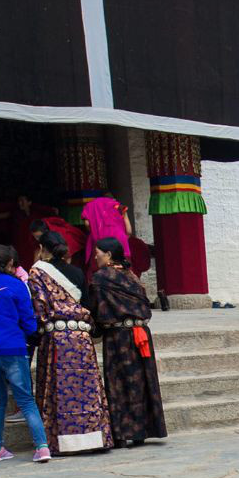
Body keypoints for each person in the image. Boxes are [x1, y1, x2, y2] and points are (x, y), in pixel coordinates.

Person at [29, 231, 111, 455]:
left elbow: (39, 309)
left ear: (42, 248)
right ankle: (93, 438)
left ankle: (60, 442)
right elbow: (88, 303)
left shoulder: (37, 272)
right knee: (86, 388)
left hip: (56, 338)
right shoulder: (76, 272)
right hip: (82, 337)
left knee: (58, 390)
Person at [0, 244, 51, 463]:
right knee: (26, 400)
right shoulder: (16, 285)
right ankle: (42, 447)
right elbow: (28, 320)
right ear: (10, 263)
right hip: (13, 347)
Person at [87, 237, 167, 447]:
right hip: (140, 333)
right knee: (140, 381)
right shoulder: (132, 276)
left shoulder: (101, 278)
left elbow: (95, 309)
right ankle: (141, 431)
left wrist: (92, 331)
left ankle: (121, 433)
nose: (95, 256)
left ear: (109, 255)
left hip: (118, 336)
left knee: (118, 382)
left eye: (98, 253)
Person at [81, 194, 133, 279]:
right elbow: (129, 231)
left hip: (101, 240)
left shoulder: (91, 205)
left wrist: (94, 230)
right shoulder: (118, 206)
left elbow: (87, 224)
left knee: (100, 275)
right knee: (124, 273)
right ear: (113, 198)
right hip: (119, 240)